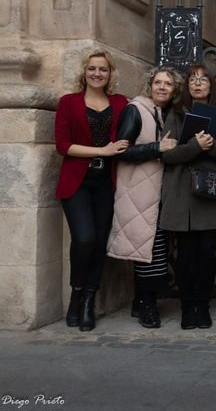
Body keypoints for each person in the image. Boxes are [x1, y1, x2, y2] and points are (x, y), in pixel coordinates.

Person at [160, 63, 216, 330]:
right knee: (185, 255)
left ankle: (202, 306)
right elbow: (168, 154)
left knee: (206, 254)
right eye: (192, 79)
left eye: (202, 79)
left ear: (210, 85)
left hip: (209, 193)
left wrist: (211, 145)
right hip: (182, 195)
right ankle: (187, 307)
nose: (197, 83)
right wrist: (195, 146)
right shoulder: (174, 113)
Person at [54, 49, 129, 331]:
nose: (97, 73)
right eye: (92, 69)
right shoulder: (68, 103)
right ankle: (76, 293)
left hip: (106, 183)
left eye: (103, 69)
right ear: (84, 72)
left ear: (110, 75)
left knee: (99, 242)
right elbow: (63, 146)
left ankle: (88, 301)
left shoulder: (120, 103)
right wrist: (103, 150)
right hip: (77, 182)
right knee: (84, 238)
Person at [107, 66, 181, 328]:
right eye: (157, 82)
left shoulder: (163, 114)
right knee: (148, 253)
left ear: (174, 90)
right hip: (137, 192)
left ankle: (141, 302)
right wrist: (157, 148)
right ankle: (148, 306)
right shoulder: (135, 110)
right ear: (150, 86)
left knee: (153, 251)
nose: (162, 87)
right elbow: (120, 151)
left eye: (168, 84)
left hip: (156, 193)